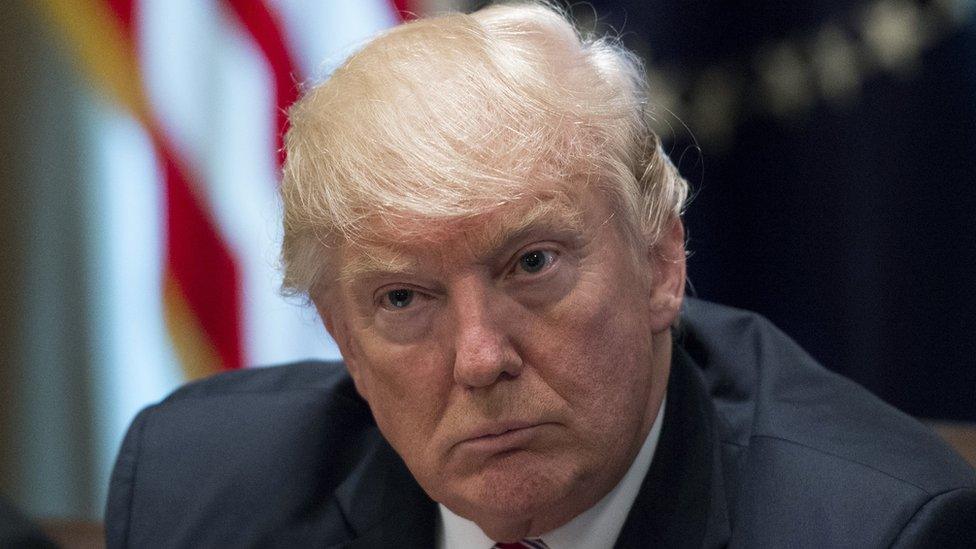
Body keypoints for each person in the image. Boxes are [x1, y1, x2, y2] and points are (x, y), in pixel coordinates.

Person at [105, 3, 976, 547]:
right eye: (403, 298)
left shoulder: (873, 528)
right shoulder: (195, 492)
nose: (480, 358)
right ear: (344, 341)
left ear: (661, 262)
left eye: (532, 264)